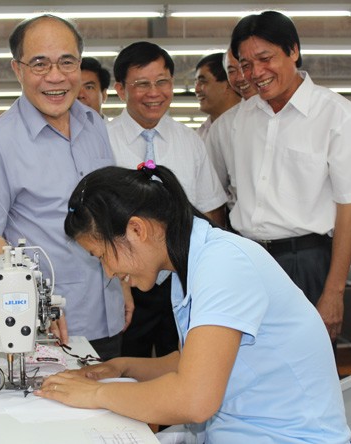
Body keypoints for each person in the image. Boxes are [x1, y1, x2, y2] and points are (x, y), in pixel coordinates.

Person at [35, 164, 351, 444]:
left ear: (136, 230)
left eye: (102, 256)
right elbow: (194, 363)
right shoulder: (191, 267)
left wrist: (96, 394)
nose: (109, 272)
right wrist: (121, 368)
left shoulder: (224, 263)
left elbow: (195, 398)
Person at [0, 14, 130, 360]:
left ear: (80, 65)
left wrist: (124, 284)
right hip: (51, 329)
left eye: (66, 62)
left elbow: (109, 212)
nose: (55, 77)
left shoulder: (94, 123)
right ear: (18, 70)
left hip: (110, 314)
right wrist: (38, 303)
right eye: (39, 64)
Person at [227, 11, 351, 343]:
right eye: (245, 64)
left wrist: (333, 292)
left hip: (307, 263)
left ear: (293, 51)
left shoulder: (338, 116)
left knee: (306, 365)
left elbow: (349, 209)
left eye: (264, 58)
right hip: (247, 261)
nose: (255, 73)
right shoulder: (238, 121)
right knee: (248, 363)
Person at [107, 41, 227, 358]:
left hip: (180, 280)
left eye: (162, 82)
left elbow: (212, 212)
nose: (154, 93)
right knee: (126, 366)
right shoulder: (102, 143)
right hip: (124, 283)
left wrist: (204, 277)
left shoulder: (190, 142)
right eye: (142, 84)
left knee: (181, 364)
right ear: (120, 89)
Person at [206, 48, 258, 227]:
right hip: (244, 236)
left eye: (245, 67)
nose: (241, 77)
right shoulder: (222, 128)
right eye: (231, 71)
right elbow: (214, 194)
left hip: (304, 245)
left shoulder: (298, 117)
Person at [194, 52, 241, 141]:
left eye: (203, 81)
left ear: (228, 84)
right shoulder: (200, 134)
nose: (196, 89)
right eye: (196, 82)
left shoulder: (253, 122)